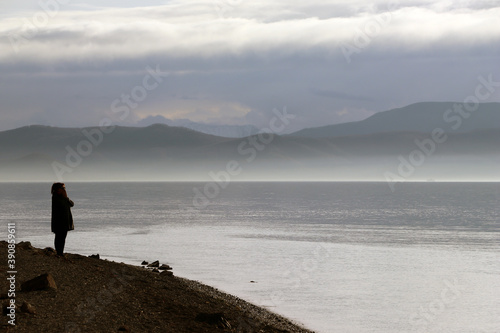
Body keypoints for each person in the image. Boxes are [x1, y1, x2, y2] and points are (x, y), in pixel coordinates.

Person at [51, 183, 74, 256]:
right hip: (59, 221)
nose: (64, 190)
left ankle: (60, 252)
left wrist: (66, 197)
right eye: (63, 188)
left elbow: (71, 204)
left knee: (62, 237)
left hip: (64, 220)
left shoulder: (63, 197)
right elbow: (63, 205)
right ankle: (59, 252)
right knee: (59, 237)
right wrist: (65, 197)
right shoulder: (56, 197)